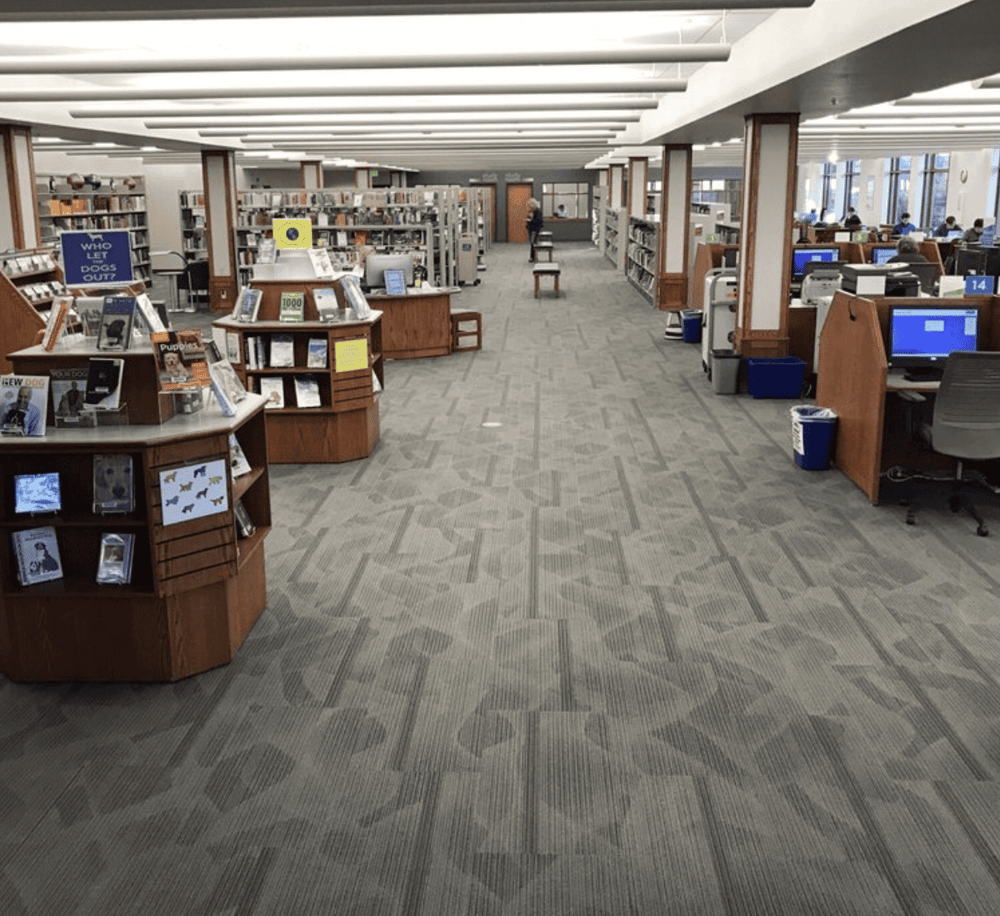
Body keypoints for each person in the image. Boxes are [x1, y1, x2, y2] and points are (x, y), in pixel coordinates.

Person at [526, 198, 543, 262]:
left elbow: (539, 221)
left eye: (530, 205)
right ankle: (533, 257)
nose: (529, 207)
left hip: (534, 229)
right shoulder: (531, 211)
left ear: (534, 204)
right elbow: (529, 217)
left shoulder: (538, 211)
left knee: (533, 243)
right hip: (531, 228)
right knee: (532, 244)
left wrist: (531, 220)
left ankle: (534, 257)